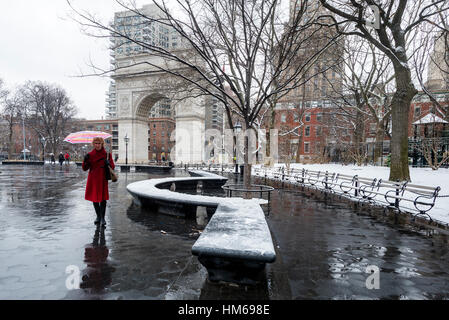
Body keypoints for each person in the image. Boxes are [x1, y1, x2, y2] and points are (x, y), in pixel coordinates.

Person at [82, 137, 115, 227]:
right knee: (95, 198)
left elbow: (112, 166)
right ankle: (98, 216)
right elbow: (85, 168)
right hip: (93, 179)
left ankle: (103, 218)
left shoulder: (107, 154)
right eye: (95, 143)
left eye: (99, 143)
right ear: (93, 144)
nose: (97, 145)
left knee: (103, 199)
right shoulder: (90, 154)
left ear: (102, 144)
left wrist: (108, 163)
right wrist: (85, 160)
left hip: (102, 179)